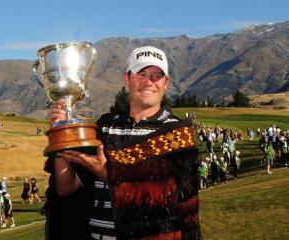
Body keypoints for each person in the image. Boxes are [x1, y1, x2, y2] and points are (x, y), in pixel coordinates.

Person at [47, 46, 200, 239]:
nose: (148, 81)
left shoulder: (177, 134)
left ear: (166, 83)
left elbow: (169, 200)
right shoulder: (105, 127)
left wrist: (110, 175)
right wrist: (60, 134)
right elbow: (66, 187)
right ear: (127, 78)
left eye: (156, 75)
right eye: (141, 73)